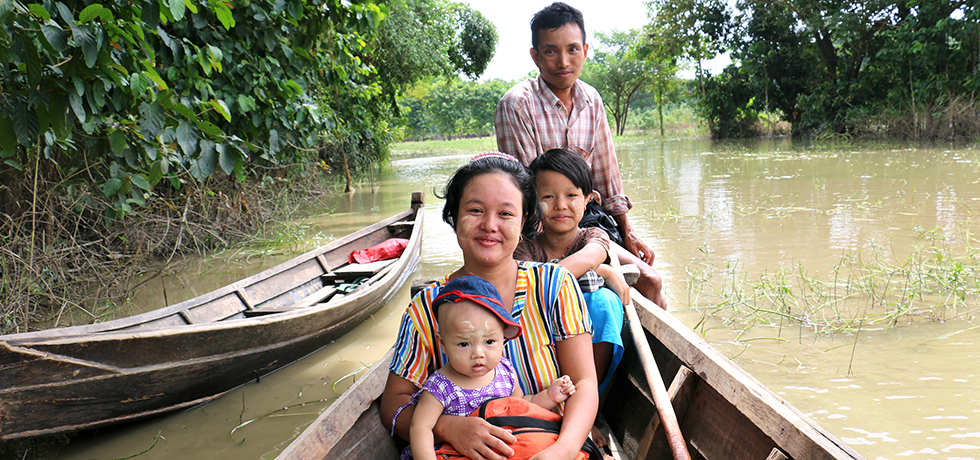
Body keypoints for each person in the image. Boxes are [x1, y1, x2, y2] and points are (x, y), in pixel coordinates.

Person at [381, 152, 598, 460]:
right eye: (475, 210)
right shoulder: (426, 307)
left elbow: (583, 382)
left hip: (548, 444)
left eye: (506, 214)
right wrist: (448, 427)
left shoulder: (554, 285)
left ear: (524, 221)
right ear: (454, 216)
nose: (489, 225)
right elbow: (394, 403)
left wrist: (561, 451)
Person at [494, 2, 666, 308]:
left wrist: (628, 232)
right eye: (551, 51)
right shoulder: (517, 104)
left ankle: (646, 340)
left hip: (586, 219)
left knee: (651, 280)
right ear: (535, 56)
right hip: (540, 225)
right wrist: (554, 252)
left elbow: (607, 176)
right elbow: (525, 194)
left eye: (572, 49)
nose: (563, 61)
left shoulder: (591, 99)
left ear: (585, 51)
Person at [410, 274, 576, 460]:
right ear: (443, 343)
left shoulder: (504, 371)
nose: (478, 353)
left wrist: (549, 396)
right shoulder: (441, 387)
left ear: (503, 337)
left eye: (489, 341)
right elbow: (420, 428)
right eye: (464, 344)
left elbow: (521, 404)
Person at [513, 148, 626, 396]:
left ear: (587, 199)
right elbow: (534, 285)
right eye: (548, 196)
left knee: (603, 301)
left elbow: (589, 257)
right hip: (544, 349)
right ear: (533, 203)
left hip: (588, 357)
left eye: (572, 195)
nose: (561, 206)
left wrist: (600, 266)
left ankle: (589, 396)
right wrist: (605, 272)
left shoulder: (593, 236)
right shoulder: (525, 249)